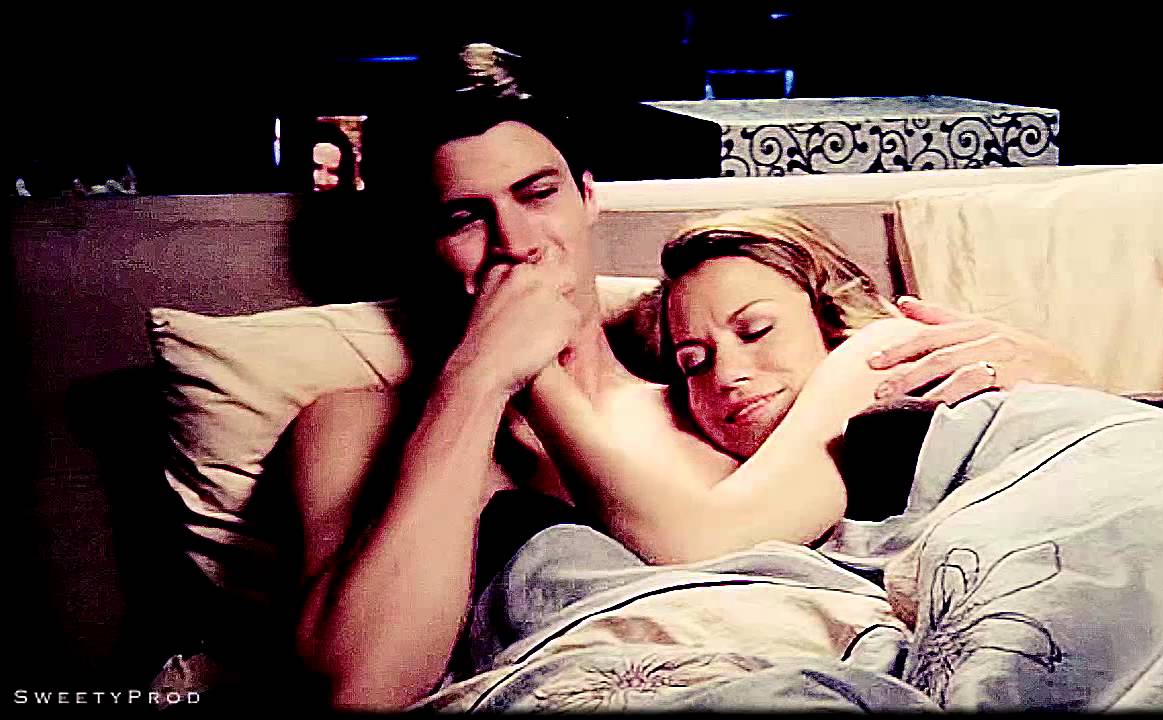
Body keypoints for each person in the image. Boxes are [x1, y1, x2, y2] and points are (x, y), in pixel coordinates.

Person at [288, 43, 1089, 711]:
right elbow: (359, 688)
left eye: (538, 195)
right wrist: (478, 377)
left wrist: (1050, 370)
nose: (517, 243)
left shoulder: (721, 395)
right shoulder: (358, 426)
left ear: (586, 197)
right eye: (464, 218)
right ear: (419, 245)